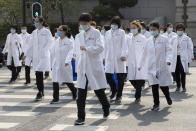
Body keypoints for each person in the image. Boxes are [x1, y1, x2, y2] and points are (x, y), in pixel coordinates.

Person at [74, 13, 110, 125]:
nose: (83, 26)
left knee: (98, 90)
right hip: (82, 67)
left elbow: (100, 47)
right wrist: (77, 68)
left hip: (93, 66)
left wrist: (87, 48)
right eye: (81, 24)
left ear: (90, 22)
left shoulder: (96, 33)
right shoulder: (78, 36)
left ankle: (106, 106)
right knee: (80, 95)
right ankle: (81, 118)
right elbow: (77, 52)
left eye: (85, 24)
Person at [23, 16, 54, 101]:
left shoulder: (46, 31)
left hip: (43, 56)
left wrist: (44, 50)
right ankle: (41, 91)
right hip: (36, 56)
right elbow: (30, 45)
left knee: (39, 73)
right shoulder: (34, 32)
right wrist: (26, 54)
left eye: (36, 21)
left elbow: (50, 41)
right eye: (35, 22)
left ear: (41, 22)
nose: (35, 23)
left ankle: (40, 92)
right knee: (38, 74)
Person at [147, 22, 173, 111]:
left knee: (163, 85)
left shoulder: (164, 39)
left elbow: (169, 50)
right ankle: (156, 104)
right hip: (152, 66)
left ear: (158, 29)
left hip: (162, 65)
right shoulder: (149, 40)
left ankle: (168, 97)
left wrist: (168, 60)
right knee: (154, 86)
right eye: (151, 30)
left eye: (154, 30)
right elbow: (145, 53)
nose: (152, 31)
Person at [50, 25, 77, 104]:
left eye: (60, 30)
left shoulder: (69, 41)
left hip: (65, 64)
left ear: (65, 31)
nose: (58, 31)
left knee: (68, 80)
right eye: (58, 30)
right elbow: (52, 52)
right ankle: (56, 98)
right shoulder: (56, 40)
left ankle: (74, 91)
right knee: (55, 80)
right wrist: (52, 63)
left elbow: (71, 52)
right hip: (56, 63)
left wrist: (67, 61)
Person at [104, 16, 128, 103]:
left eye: (115, 24)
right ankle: (114, 90)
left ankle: (119, 95)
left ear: (118, 25)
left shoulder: (121, 32)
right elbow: (105, 46)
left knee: (120, 77)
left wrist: (123, 55)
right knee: (108, 75)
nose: (113, 25)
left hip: (119, 58)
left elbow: (124, 45)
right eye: (112, 24)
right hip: (109, 57)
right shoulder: (107, 33)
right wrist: (104, 56)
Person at [127, 20, 148, 103]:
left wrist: (144, 61)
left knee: (139, 78)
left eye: (134, 28)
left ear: (138, 28)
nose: (132, 29)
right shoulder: (129, 38)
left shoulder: (142, 38)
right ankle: (139, 88)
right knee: (131, 79)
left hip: (140, 61)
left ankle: (137, 95)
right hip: (131, 61)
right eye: (131, 28)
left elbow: (146, 50)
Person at [171, 23, 194, 92]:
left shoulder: (187, 38)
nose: (179, 31)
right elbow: (170, 48)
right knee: (176, 72)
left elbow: (190, 48)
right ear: (176, 30)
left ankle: (183, 86)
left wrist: (191, 56)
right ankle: (178, 86)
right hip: (175, 57)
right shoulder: (173, 38)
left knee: (183, 72)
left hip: (183, 57)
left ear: (183, 30)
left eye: (181, 30)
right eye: (178, 30)